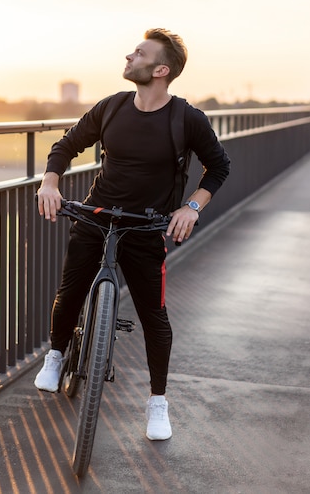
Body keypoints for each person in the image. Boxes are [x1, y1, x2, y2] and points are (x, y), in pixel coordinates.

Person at [34, 28, 230, 441]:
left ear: (161, 70)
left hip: (146, 228)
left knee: (153, 316)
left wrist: (191, 207)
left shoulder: (187, 119)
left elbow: (219, 167)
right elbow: (66, 146)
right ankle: (55, 355)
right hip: (96, 216)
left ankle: (157, 402)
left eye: (139, 53)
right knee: (70, 291)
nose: (129, 56)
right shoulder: (112, 107)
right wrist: (50, 182)